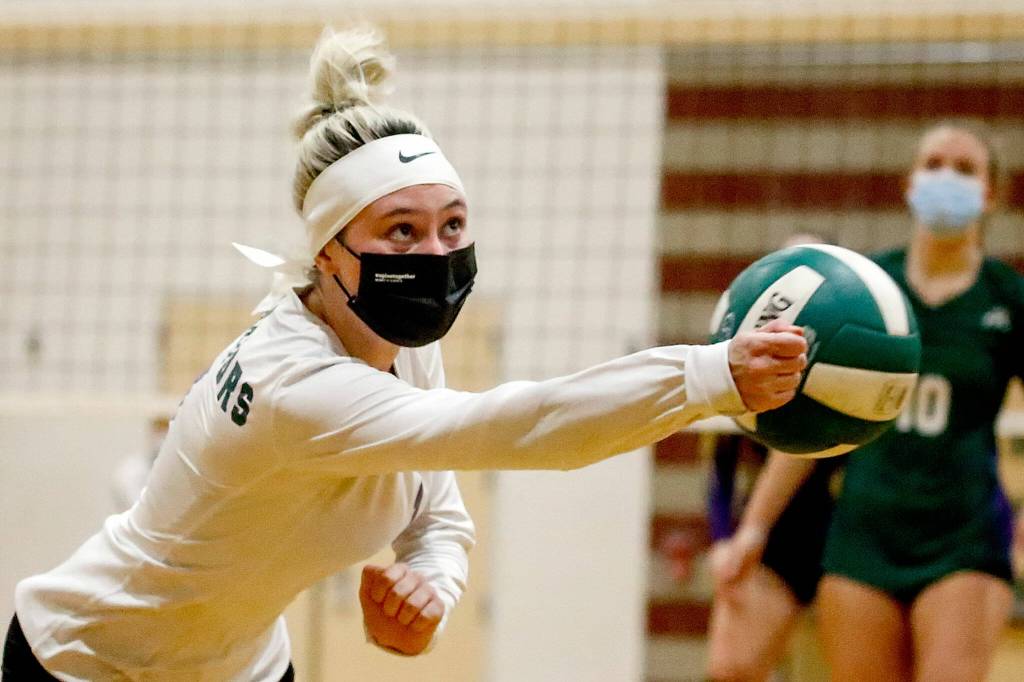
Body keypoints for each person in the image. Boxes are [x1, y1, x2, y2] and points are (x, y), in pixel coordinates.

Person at [1, 27, 809, 681]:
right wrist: (711, 375)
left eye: (451, 225)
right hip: (91, 659)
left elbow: (441, 515)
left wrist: (433, 587)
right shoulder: (295, 382)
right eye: (400, 231)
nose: (434, 253)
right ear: (328, 254)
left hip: (240, 667)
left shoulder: (394, 342)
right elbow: (520, 428)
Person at [718, 123, 1024, 682]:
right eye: (933, 163)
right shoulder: (861, 287)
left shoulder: (1008, 299)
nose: (945, 178)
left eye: (964, 169)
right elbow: (813, 424)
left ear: (990, 195)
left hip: (964, 539)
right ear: (910, 181)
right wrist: (754, 528)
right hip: (862, 538)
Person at [662, 232, 841, 682]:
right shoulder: (747, 353)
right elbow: (720, 461)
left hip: (849, 534)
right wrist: (724, 538)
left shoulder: (854, 347)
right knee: (730, 670)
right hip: (775, 536)